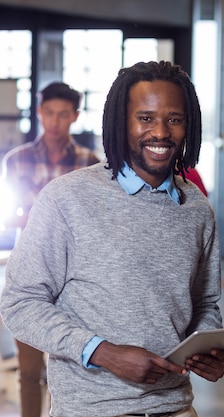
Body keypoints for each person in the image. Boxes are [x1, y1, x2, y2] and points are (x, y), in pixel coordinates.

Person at [0, 61, 224, 417]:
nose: (161, 132)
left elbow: (204, 305)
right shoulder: (67, 198)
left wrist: (206, 350)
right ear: (120, 123)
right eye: (145, 118)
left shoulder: (197, 208)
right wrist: (103, 352)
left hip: (176, 407)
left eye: (174, 119)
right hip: (90, 410)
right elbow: (19, 302)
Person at [0, 81, 100, 417]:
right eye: (49, 113)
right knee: (29, 373)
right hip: (28, 278)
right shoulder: (17, 160)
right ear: (40, 113)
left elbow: (91, 223)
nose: (55, 122)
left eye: (62, 114)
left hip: (74, 280)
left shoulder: (91, 163)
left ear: (74, 116)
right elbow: (13, 216)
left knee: (70, 368)